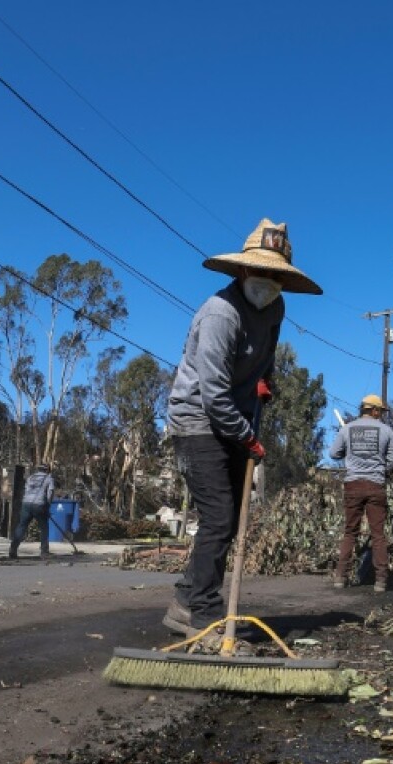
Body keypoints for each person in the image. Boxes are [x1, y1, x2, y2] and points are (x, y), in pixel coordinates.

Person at [162, 218, 323, 638]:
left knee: (230, 519)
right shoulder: (220, 313)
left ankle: (185, 599)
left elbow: (265, 358)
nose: (267, 282)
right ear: (242, 270)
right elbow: (213, 393)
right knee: (217, 516)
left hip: (233, 419)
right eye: (261, 272)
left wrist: (265, 380)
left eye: (276, 276)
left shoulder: (275, 309)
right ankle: (204, 612)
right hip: (197, 419)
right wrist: (247, 436)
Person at [328, 394, 393, 592]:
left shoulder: (347, 429)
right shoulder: (387, 431)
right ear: (375, 410)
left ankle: (340, 577)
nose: (382, 415)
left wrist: (348, 452)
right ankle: (381, 580)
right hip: (376, 485)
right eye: (381, 411)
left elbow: (333, 453)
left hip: (353, 485)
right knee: (378, 534)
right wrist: (384, 470)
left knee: (350, 532)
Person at [9, 463, 55, 560]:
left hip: (26, 504)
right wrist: (48, 505)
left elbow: (26, 490)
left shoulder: (31, 478)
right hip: (39, 504)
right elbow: (50, 493)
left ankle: (13, 549)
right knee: (44, 528)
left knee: (22, 526)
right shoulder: (49, 478)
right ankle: (44, 552)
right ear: (47, 470)